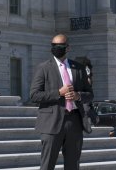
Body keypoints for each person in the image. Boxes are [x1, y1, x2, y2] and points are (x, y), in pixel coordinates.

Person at [30, 34, 94, 170]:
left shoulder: (79, 68)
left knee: (73, 165)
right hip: (51, 123)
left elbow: (90, 95)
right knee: (47, 165)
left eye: (60, 46)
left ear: (68, 48)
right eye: (53, 46)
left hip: (74, 121)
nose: (56, 48)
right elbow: (34, 95)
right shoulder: (44, 68)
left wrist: (78, 96)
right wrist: (59, 92)